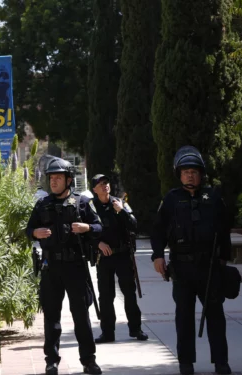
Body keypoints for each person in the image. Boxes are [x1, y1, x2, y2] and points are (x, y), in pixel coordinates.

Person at [150, 146, 232, 375]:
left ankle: (221, 362)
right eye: (185, 171)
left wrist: (224, 260)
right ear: (179, 174)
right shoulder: (171, 199)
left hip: (210, 268)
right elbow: (158, 231)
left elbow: (224, 232)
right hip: (183, 268)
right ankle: (186, 363)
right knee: (184, 318)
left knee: (216, 316)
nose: (189, 175)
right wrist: (158, 256)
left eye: (194, 171)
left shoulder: (214, 198)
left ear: (201, 174)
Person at [25, 157, 104, 375]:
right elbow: (28, 229)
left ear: (69, 180)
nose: (54, 181)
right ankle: (51, 361)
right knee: (52, 318)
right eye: (51, 178)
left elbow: (99, 227)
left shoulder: (81, 203)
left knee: (81, 317)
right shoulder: (42, 204)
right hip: (51, 268)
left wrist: (86, 227)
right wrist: (35, 233)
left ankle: (89, 361)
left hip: (75, 267)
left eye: (58, 177)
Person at [88, 174, 148, 344]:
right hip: (104, 258)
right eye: (100, 184)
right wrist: (98, 243)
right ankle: (107, 333)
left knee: (129, 293)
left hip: (122, 255)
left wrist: (121, 211)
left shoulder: (119, 203)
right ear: (94, 189)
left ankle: (136, 329)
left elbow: (134, 224)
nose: (104, 186)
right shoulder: (90, 207)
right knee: (106, 296)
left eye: (106, 183)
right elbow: (86, 232)